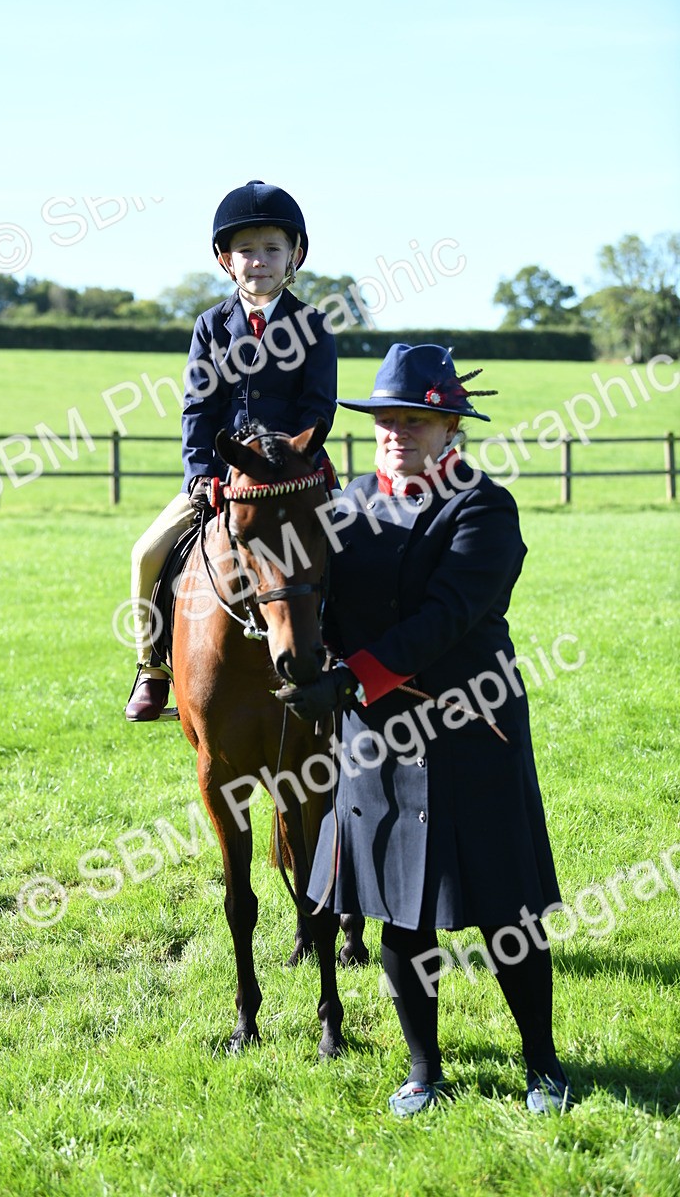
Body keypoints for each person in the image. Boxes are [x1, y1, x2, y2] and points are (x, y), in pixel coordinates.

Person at [277, 343, 571, 1116]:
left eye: (415, 420)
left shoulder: (483, 506)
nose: (396, 433)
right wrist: (306, 661)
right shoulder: (342, 511)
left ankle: (543, 1066)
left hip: (473, 732)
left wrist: (351, 677)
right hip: (375, 741)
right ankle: (422, 1071)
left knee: (509, 914)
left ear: (450, 429)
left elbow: (449, 617)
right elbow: (314, 604)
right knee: (401, 919)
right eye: (385, 420)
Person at [125, 180, 337, 720]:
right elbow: (197, 407)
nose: (259, 261)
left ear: (295, 256)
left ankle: (343, 659)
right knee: (147, 554)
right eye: (246, 251)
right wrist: (201, 474)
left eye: (272, 249)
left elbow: (318, 411)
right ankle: (152, 668)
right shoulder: (210, 326)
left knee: (353, 551)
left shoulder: (313, 325)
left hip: (297, 477)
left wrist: (291, 462)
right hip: (222, 477)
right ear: (225, 259)